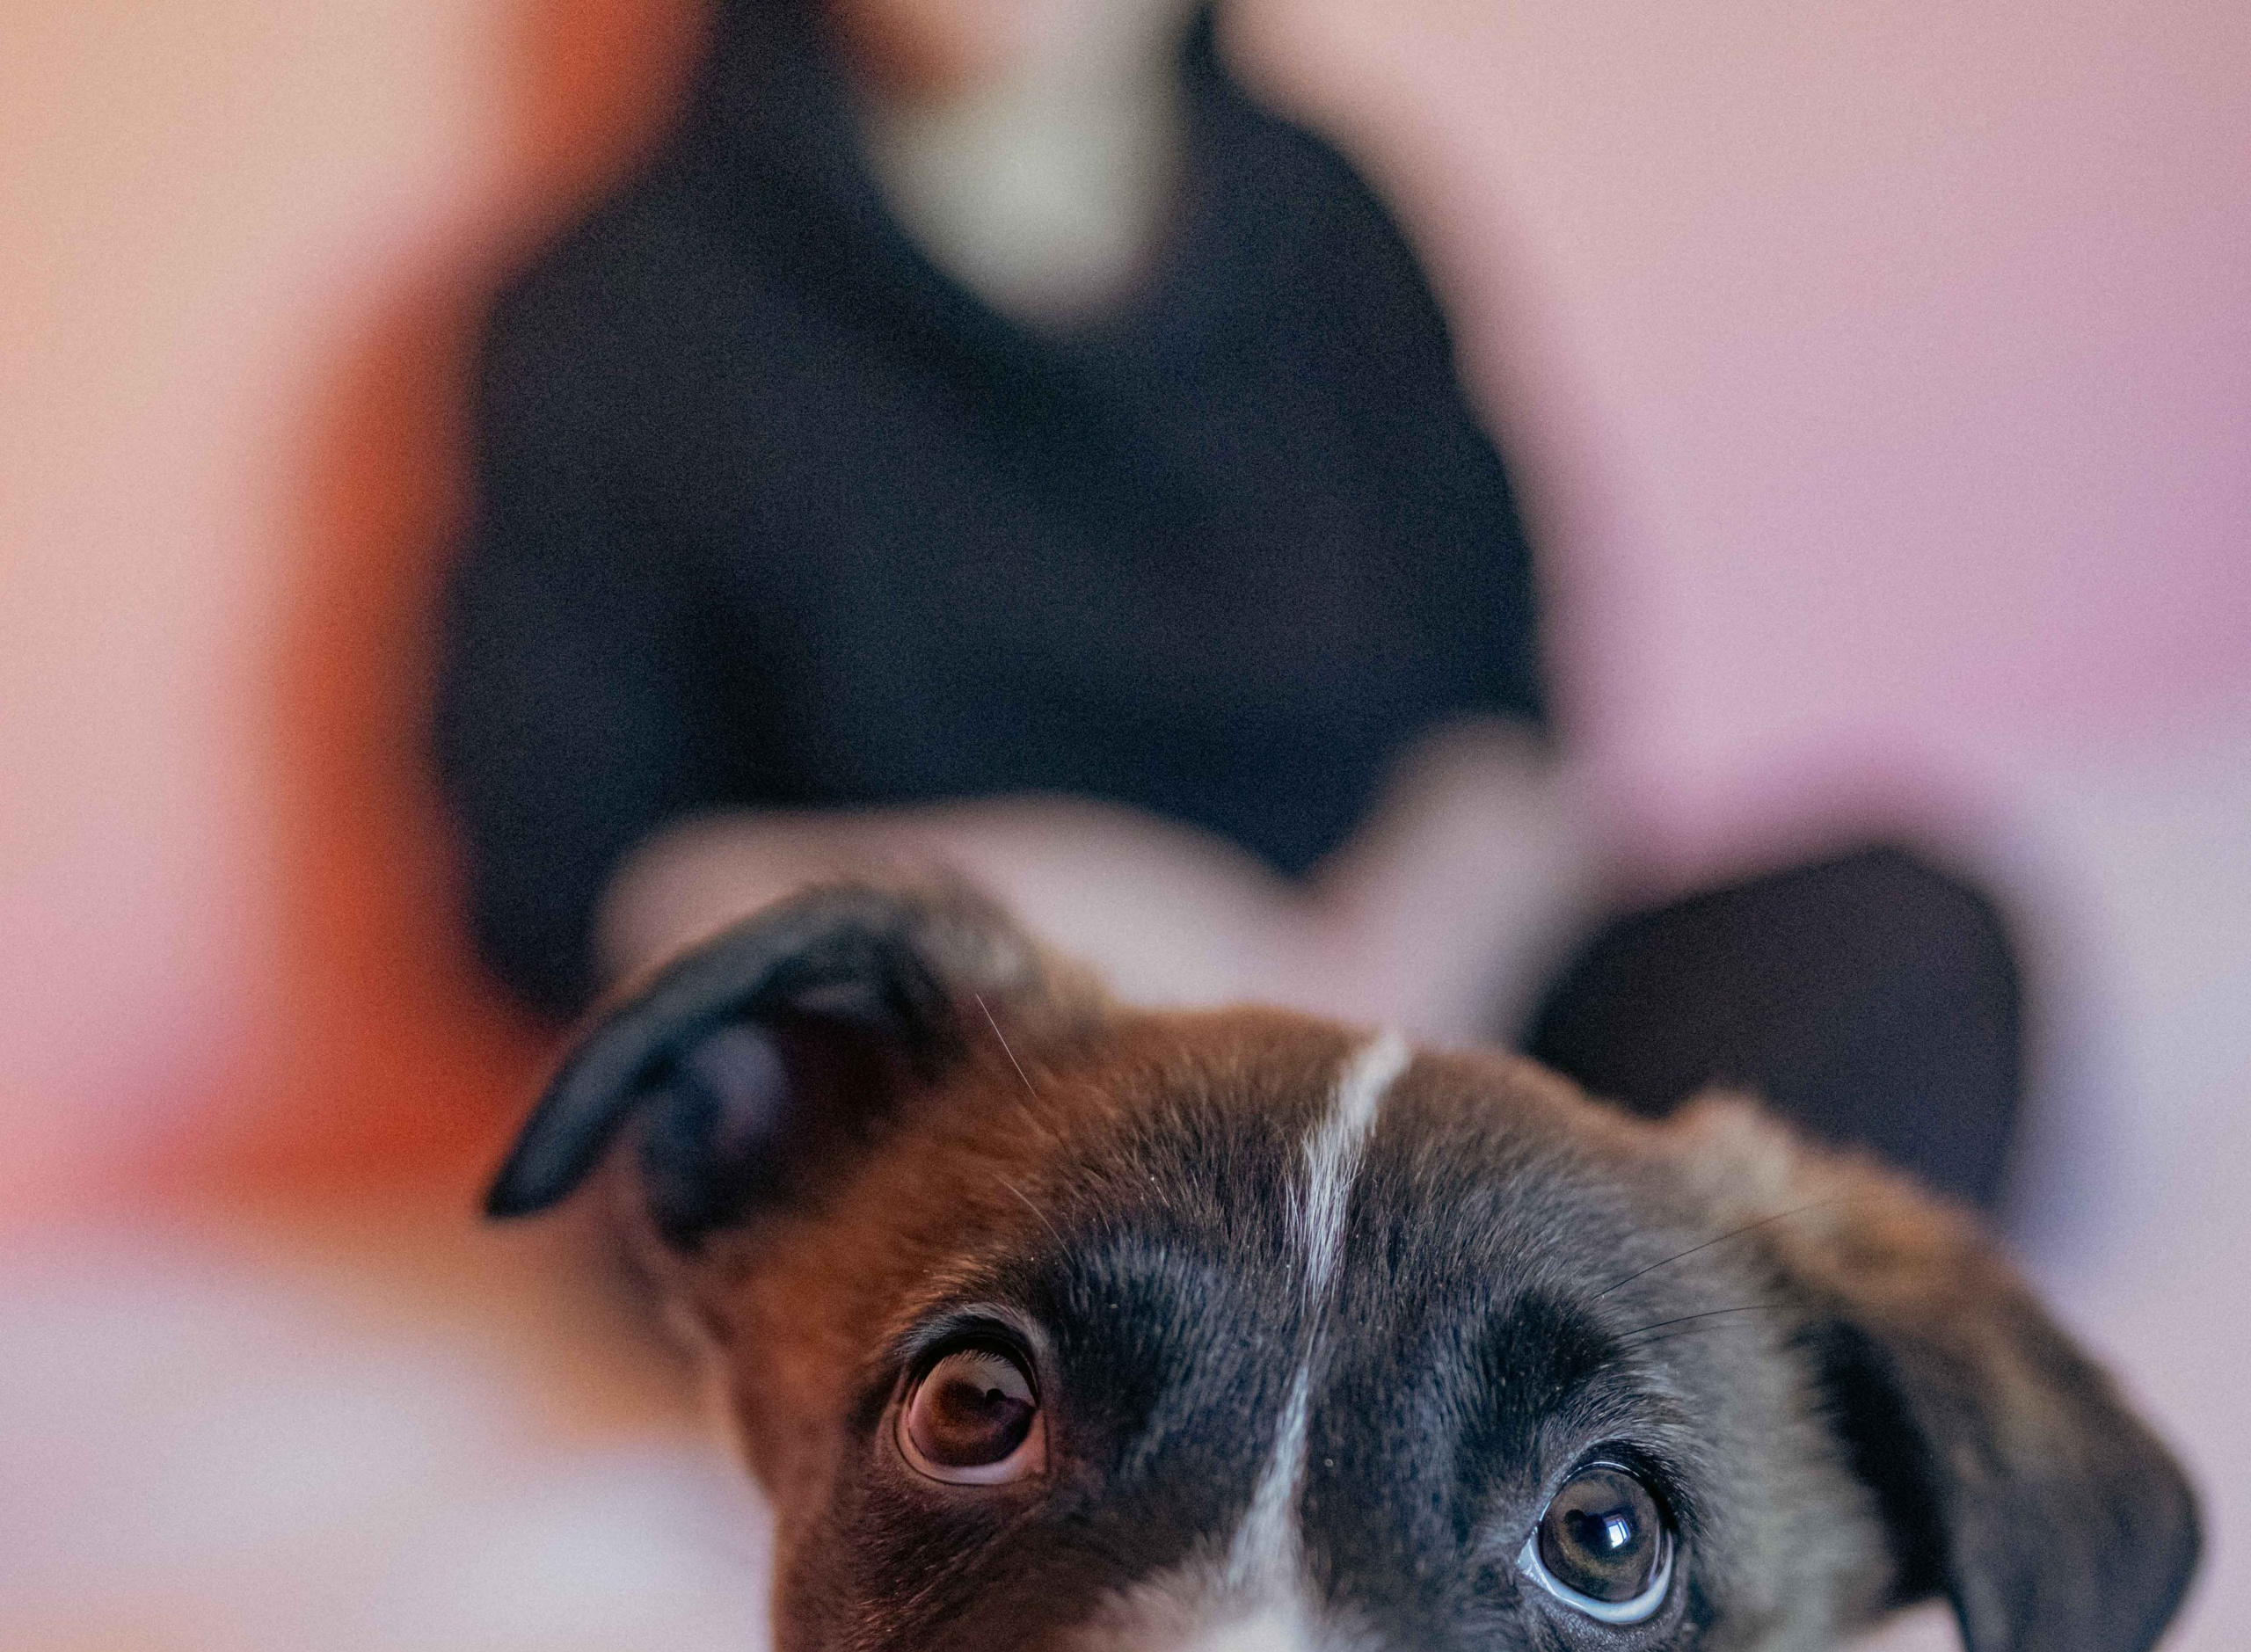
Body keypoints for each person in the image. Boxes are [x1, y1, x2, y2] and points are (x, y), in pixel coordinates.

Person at [434, 0, 2025, 1219]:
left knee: (1897, 942)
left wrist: (1383, 975)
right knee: (747, 1123)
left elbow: (1511, 714)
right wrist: (1046, 929)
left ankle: (1490, 1323)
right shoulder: (614, 313)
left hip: (1419, 1026)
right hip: (993, 1086)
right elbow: (565, 885)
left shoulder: (1331, 219)